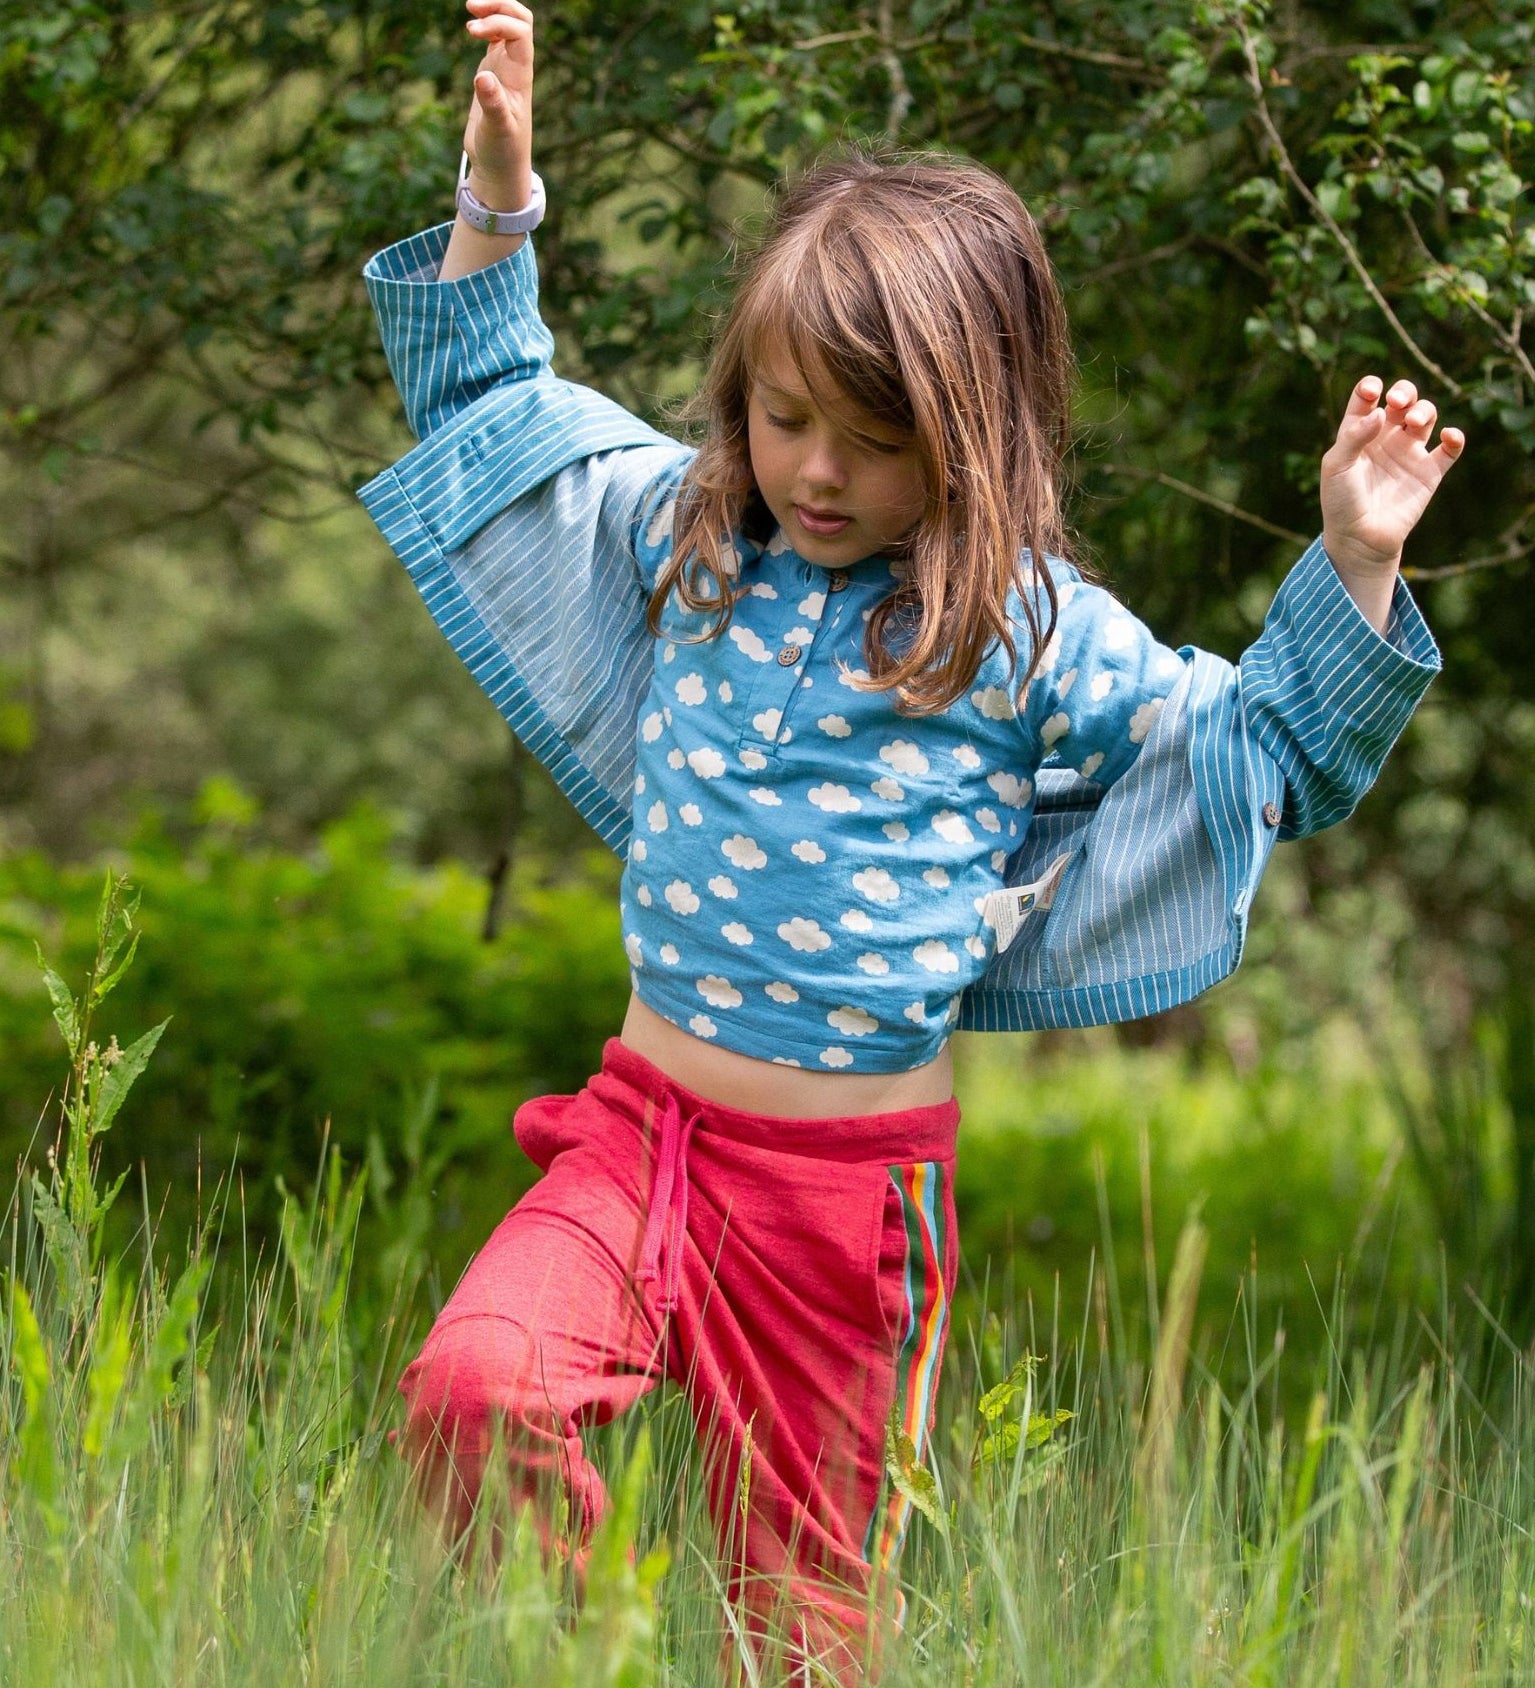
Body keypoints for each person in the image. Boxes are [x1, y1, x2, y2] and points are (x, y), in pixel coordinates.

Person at [356, 0, 1462, 1675]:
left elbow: (1262, 753)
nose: (817, 471)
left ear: (973, 432)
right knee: (470, 1392)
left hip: (843, 1210)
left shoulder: (1027, 633)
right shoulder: (699, 535)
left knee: (800, 1630)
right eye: (788, 416)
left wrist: (1358, 563)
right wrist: (498, 209)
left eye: (876, 446)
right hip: (638, 1142)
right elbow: (499, 417)